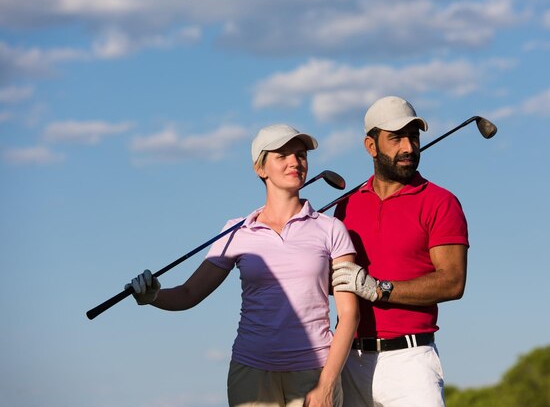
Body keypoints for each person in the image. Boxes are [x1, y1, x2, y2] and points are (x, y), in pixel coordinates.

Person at [126, 124, 360, 407]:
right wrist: (153, 297)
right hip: (251, 373)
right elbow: (189, 294)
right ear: (260, 168)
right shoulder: (236, 231)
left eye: (300, 155)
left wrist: (327, 383)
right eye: (282, 155)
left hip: (314, 371)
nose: (295, 162)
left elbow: (349, 315)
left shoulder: (331, 229)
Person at [331, 96, 469, 407]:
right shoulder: (346, 206)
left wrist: (378, 289)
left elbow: (453, 281)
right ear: (371, 146)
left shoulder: (440, 201)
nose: (408, 147)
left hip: (411, 363)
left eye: (414, 136)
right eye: (396, 138)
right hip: (349, 361)